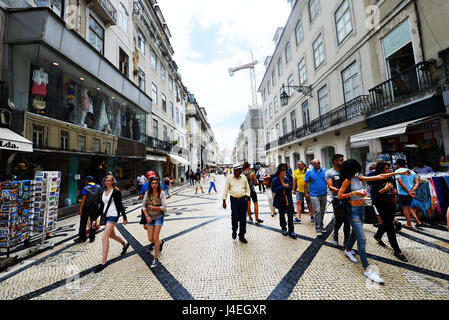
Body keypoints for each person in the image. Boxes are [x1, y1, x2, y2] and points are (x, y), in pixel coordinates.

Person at [337, 159, 410, 284]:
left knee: (355, 232)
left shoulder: (359, 178)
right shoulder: (346, 181)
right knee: (362, 238)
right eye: (355, 170)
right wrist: (355, 192)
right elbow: (339, 195)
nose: (357, 172)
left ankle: (348, 250)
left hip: (361, 210)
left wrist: (397, 174)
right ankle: (367, 270)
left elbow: (380, 176)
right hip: (353, 211)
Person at [371, 162, 408, 262]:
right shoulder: (376, 178)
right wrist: (385, 189)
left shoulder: (390, 178)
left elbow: (395, 189)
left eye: (389, 168)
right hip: (381, 204)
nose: (389, 170)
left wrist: (394, 191)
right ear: (381, 170)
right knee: (390, 227)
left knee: (386, 223)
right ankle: (397, 251)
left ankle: (378, 236)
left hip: (390, 203)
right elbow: (375, 194)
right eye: (387, 169)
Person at [94, 174, 130, 273]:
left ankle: (103, 262)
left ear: (113, 181)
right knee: (112, 235)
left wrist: (125, 217)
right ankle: (125, 244)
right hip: (106, 216)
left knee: (104, 237)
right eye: (106, 180)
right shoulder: (103, 191)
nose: (107, 182)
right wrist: (95, 218)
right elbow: (101, 206)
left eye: (109, 180)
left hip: (113, 215)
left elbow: (120, 205)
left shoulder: (116, 192)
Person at [325, 154, 350, 247]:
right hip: (337, 200)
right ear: (335, 161)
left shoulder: (345, 171)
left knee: (347, 221)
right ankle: (335, 233)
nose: (342, 162)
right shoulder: (329, 173)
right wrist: (340, 192)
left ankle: (346, 242)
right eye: (341, 160)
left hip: (348, 198)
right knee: (339, 220)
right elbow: (330, 186)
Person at [142, 177, 167, 269]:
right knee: (150, 239)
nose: (154, 185)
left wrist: (154, 208)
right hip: (150, 218)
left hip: (159, 218)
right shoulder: (147, 193)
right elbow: (144, 206)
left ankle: (155, 258)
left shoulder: (161, 193)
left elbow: (164, 207)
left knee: (155, 238)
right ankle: (160, 243)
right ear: (150, 184)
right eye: (153, 183)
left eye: (156, 183)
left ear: (158, 184)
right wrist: (147, 216)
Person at [222, 164, 251, 243]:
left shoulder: (243, 177)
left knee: (243, 218)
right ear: (234, 171)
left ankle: (242, 235)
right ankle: (234, 230)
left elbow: (247, 188)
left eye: (239, 170)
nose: (238, 172)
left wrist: (247, 197)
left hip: (243, 200)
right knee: (234, 217)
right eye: (236, 170)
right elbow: (226, 189)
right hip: (234, 200)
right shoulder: (229, 178)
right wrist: (224, 200)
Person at [395, 159, 423, 229]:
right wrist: (412, 190)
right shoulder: (412, 171)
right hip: (411, 193)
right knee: (410, 207)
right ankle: (417, 221)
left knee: (405, 208)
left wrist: (408, 191)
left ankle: (409, 223)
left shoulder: (397, 171)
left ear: (397, 164)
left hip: (403, 193)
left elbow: (400, 182)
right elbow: (417, 182)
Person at [271, 164, 297, 239]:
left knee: (290, 216)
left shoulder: (287, 179)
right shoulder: (275, 180)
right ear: (279, 172)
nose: (284, 173)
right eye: (283, 171)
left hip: (288, 200)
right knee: (282, 215)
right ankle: (284, 228)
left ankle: (291, 230)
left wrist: (288, 186)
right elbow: (273, 189)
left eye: (285, 171)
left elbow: (291, 187)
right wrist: (282, 186)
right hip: (280, 201)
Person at [74, 176, 102, 243]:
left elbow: (83, 199)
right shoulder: (99, 187)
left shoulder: (85, 188)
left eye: (85, 181)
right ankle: (92, 237)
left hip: (86, 207)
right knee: (93, 221)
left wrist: (80, 209)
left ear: (87, 181)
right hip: (95, 206)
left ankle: (82, 238)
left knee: (83, 223)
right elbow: (100, 195)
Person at [304, 159, 328, 237]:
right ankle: (318, 229)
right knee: (317, 211)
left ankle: (321, 225)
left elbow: (328, 181)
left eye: (318, 163)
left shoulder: (325, 171)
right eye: (315, 163)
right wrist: (306, 193)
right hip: (314, 195)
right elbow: (305, 182)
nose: (317, 164)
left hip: (324, 194)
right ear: (312, 164)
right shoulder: (309, 172)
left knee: (322, 210)